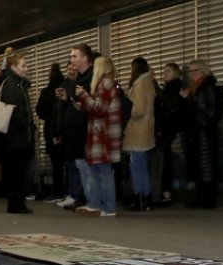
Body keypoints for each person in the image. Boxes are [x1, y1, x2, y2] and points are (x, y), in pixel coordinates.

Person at [75, 55, 122, 217]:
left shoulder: (105, 84)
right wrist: (83, 104)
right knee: (98, 170)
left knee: (103, 171)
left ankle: (107, 207)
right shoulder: (108, 84)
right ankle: (96, 204)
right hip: (103, 133)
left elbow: (99, 109)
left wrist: (84, 96)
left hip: (103, 134)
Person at [55, 44, 94, 210]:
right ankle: (88, 198)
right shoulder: (78, 79)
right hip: (76, 129)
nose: (71, 60)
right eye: (71, 56)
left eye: (75, 56)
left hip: (88, 129)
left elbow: (92, 104)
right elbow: (76, 103)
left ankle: (93, 199)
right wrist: (67, 99)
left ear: (85, 58)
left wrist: (81, 101)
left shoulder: (92, 77)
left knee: (89, 167)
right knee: (80, 165)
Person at [0, 48, 35, 214]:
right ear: (13, 67)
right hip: (15, 135)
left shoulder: (16, 84)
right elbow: (15, 110)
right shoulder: (13, 85)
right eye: (23, 66)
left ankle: (17, 202)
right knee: (16, 170)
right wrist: (26, 124)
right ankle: (16, 203)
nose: (26, 69)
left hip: (14, 135)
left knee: (17, 169)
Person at [181, 59, 220, 209]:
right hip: (197, 133)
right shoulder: (196, 88)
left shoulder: (207, 88)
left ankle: (207, 198)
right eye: (190, 71)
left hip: (204, 133)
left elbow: (209, 112)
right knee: (199, 165)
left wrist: (196, 121)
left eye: (195, 70)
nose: (192, 74)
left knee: (206, 166)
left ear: (203, 71)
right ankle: (200, 197)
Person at [123, 57, 157, 212]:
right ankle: (147, 197)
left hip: (137, 129)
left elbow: (138, 109)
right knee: (142, 165)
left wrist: (126, 110)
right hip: (146, 128)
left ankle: (139, 197)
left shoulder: (140, 85)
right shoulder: (149, 83)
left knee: (136, 165)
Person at [152, 63, 185, 206]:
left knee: (165, 160)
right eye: (164, 71)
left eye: (168, 71)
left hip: (168, 128)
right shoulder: (168, 88)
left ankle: (166, 192)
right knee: (163, 159)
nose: (165, 73)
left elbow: (171, 103)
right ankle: (164, 191)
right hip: (165, 127)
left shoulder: (175, 87)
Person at [35, 63, 66, 203]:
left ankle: (58, 190)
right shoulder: (65, 88)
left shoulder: (46, 91)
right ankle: (70, 191)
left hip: (50, 129)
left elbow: (39, 110)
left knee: (56, 163)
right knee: (69, 162)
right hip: (65, 128)